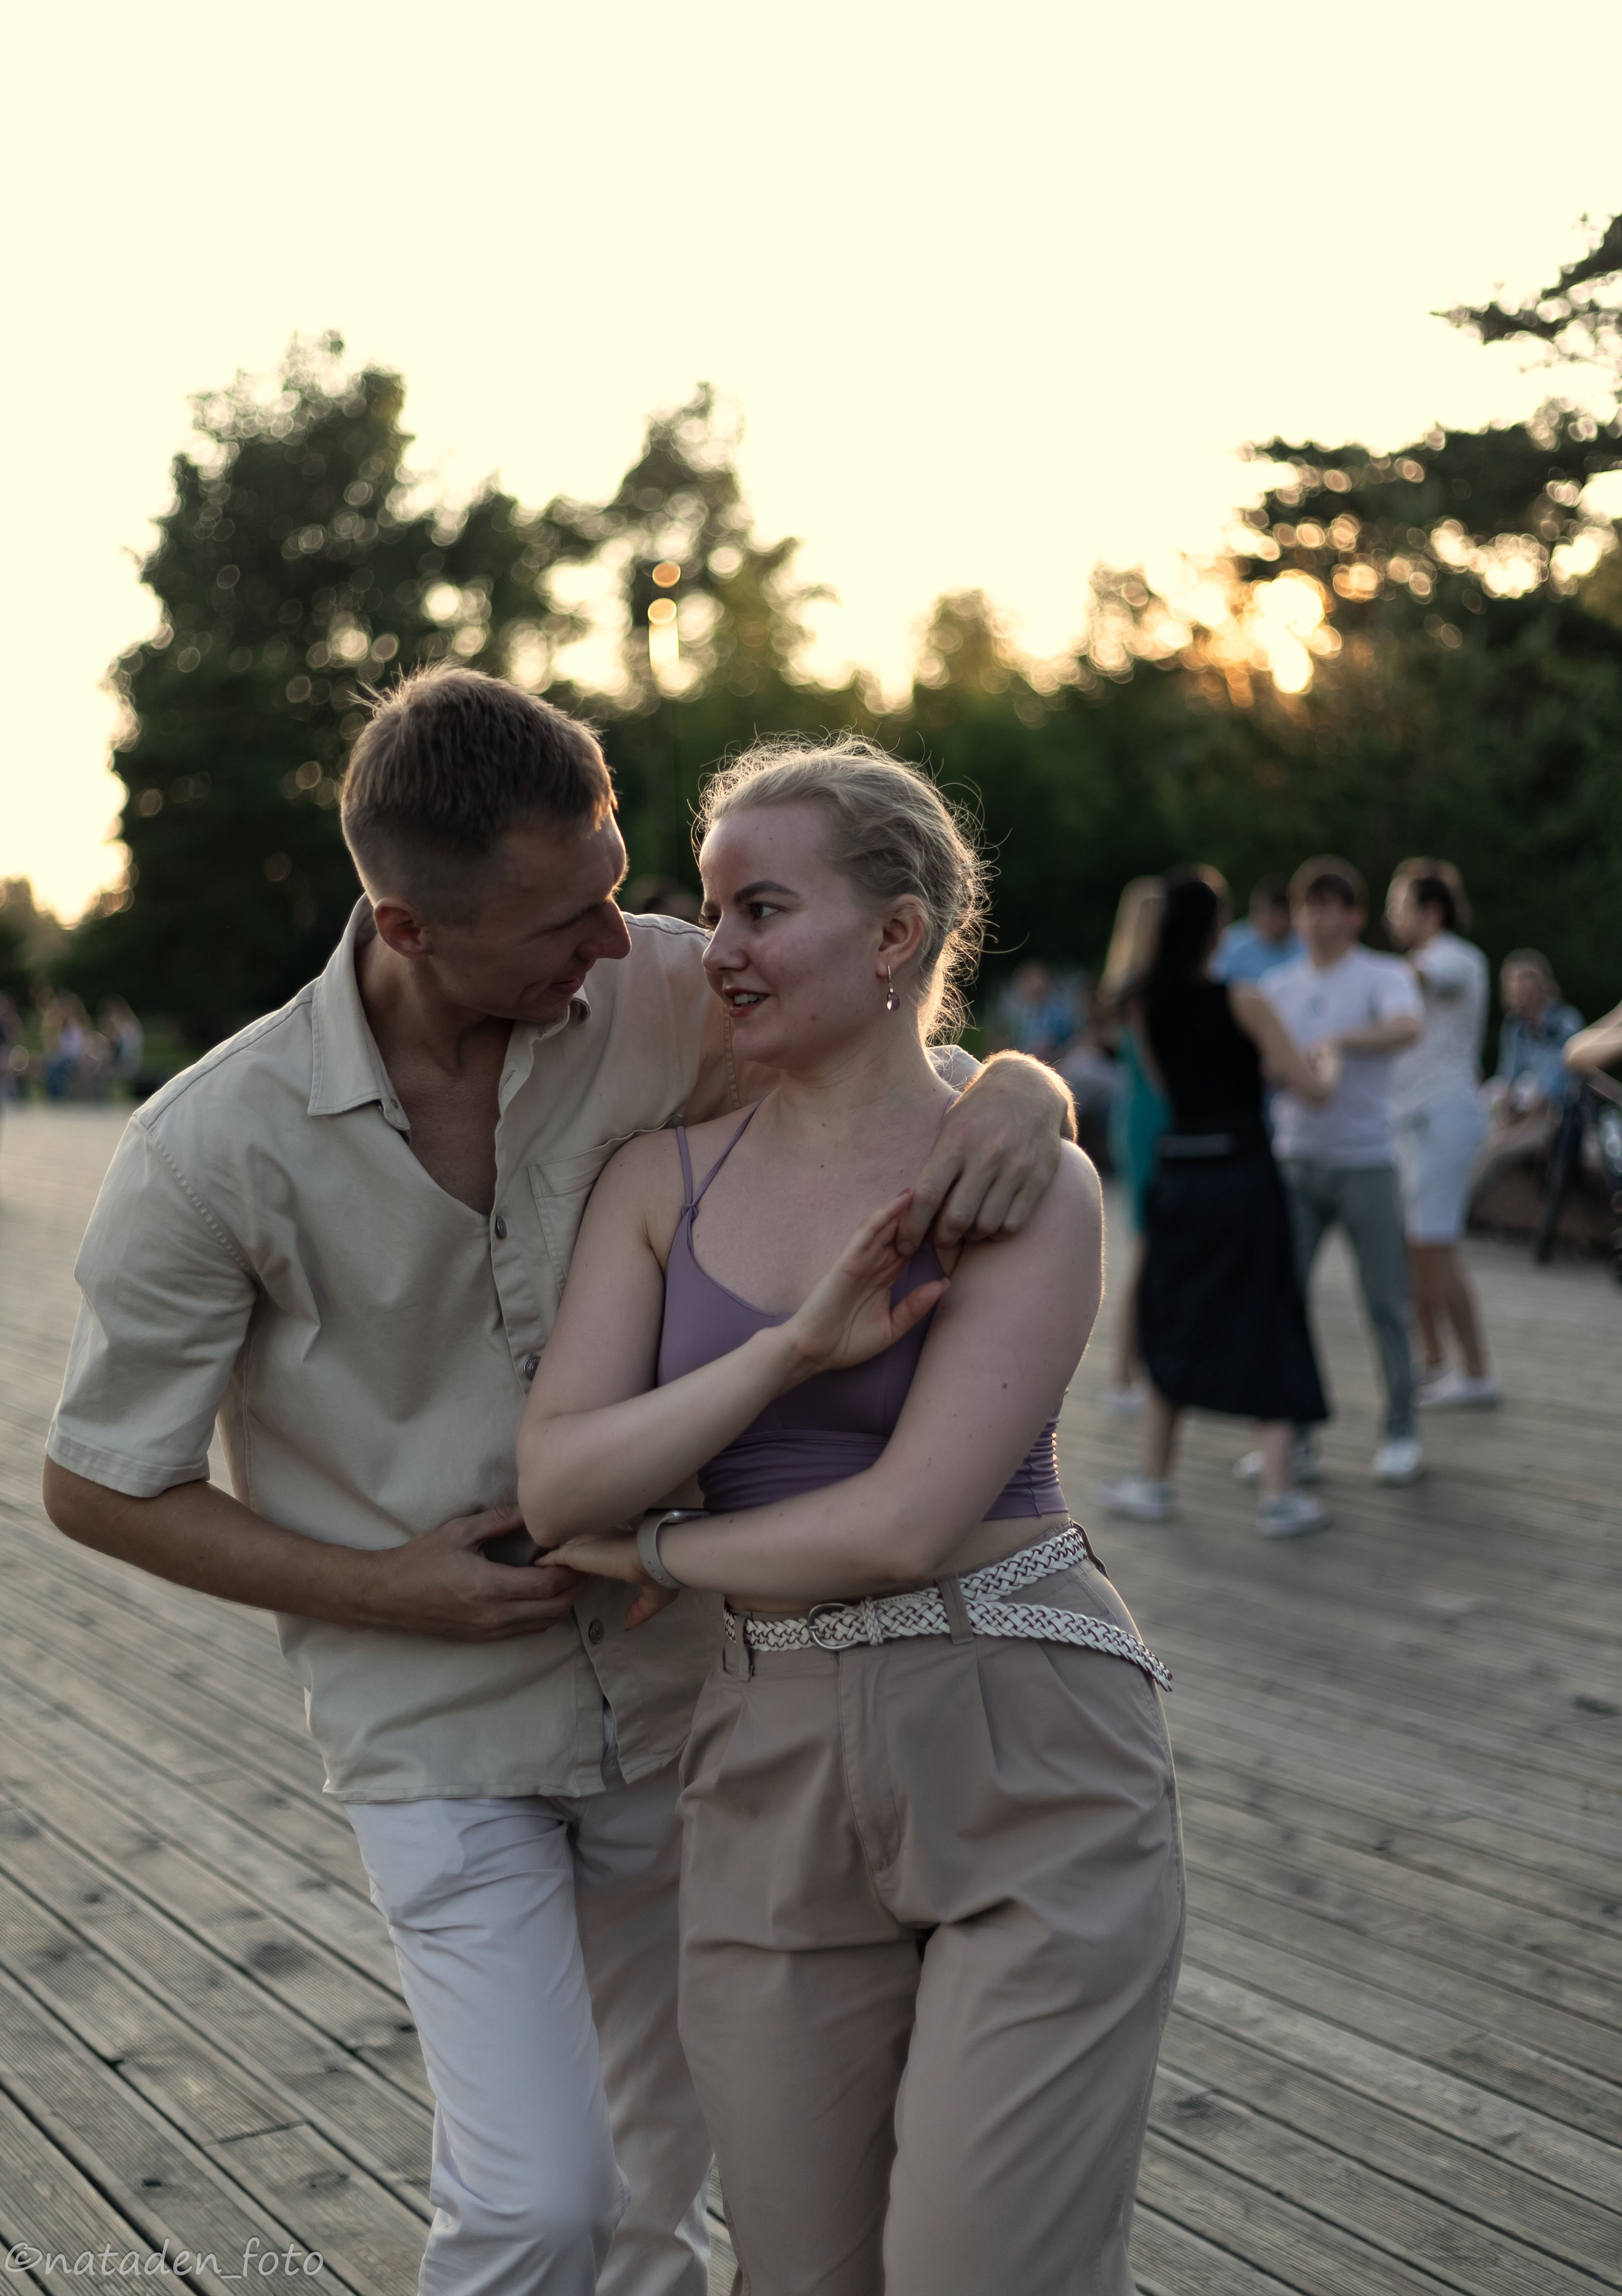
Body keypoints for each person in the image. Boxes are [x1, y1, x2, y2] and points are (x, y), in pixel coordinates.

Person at [41, 672, 1072, 2296]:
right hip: (434, 1727)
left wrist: (1026, 1085)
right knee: (537, 2206)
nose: (624, 937)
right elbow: (100, 1484)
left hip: (690, 1698)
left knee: (660, 2199)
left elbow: (887, 1046)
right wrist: (395, 1588)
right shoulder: (208, 1147)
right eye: (566, 921)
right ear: (407, 926)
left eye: (613, 887)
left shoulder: (661, 986)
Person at [516, 737, 1181, 2296]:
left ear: (895, 934)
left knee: (979, 2269)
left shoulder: (1012, 1176)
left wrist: (655, 1549)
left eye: (760, 908)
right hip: (762, 1755)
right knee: (802, 2275)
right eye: (712, 905)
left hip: (1023, 1739)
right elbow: (556, 1482)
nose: (715, 948)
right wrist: (787, 1351)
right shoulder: (652, 1186)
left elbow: (897, 1523)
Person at [1096, 872, 1337, 1536]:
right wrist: (1329, 1062)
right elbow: (1309, 1087)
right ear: (1211, 931)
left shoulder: (1143, 1005)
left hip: (1179, 1172)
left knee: (1173, 1317)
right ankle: (1279, 1494)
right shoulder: (1245, 999)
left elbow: (1173, 1086)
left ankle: (1153, 1481)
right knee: (1270, 1312)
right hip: (1243, 1174)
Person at [1260, 858, 1426, 1484]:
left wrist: (1342, 1043)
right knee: (1286, 1304)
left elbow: (1408, 1027)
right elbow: (1264, 1065)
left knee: (1385, 1301)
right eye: (1308, 905)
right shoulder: (1278, 985)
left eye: (1331, 905)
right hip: (1294, 1159)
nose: (1317, 917)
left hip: (1366, 1162)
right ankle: (1292, 1439)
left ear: (1355, 916)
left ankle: (1402, 1430)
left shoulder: (1382, 975)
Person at [1384, 864, 1497, 1407]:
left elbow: (1419, 979)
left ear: (1430, 913)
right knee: (1414, 1249)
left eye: (1399, 906)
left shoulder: (1455, 957)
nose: (1390, 917)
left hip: (1443, 1119)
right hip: (1409, 1121)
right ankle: (1434, 1361)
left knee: (1437, 1245)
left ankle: (1477, 1373)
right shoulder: (1418, 964)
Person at [1097, 877, 1169, 1415]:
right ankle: (1126, 1374)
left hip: (1138, 1116)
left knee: (1150, 1249)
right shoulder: (1146, 988)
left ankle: (1132, 1371)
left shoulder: (1124, 980)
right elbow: (1160, 1071)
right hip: (1154, 1121)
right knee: (1146, 1252)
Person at [1489, 950, 1584, 1120]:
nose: (1515, 987)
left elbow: (1562, 1078)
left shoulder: (1565, 1021)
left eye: (1521, 980)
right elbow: (1508, 1073)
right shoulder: (1514, 1025)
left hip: (1559, 1109)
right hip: (1522, 1105)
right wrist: (1506, 1102)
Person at [1212, 875, 1304, 985]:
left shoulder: (1303, 944)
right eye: (1276, 914)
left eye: (1285, 916)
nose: (1280, 922)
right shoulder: (1231, 943)